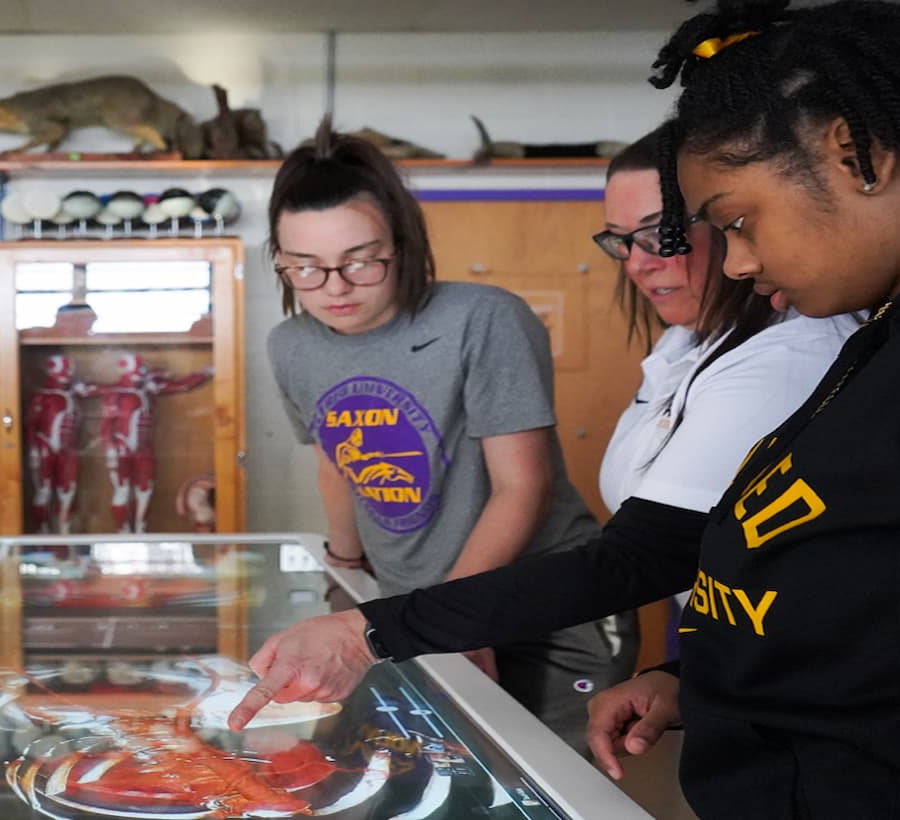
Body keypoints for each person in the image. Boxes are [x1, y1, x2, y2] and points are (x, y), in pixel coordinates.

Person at [230, 2, 900, 817]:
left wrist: (374, 630)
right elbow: (856, 593)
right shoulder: (893, 336)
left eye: (737, 220)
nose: (739, 261)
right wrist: (698, 678)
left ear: (856, 154)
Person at [263, 119, 629, 754]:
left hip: (544, 608)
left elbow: (523, 486)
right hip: (418, 611)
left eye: (360, 262)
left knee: (535, 789)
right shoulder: (291, 345)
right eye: (306, 268)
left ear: (401, 244)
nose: (336, 288)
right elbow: (337, 463)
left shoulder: (482, 319)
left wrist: (451, 624)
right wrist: (347, 578)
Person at [594, 126, 859, 667]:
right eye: (621, 240)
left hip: (793, 660)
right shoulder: (682, 343)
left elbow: (646, 552)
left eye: (660, 234)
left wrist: (405, 622)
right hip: (713, 638)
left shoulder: (789, 355)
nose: (639, 263)